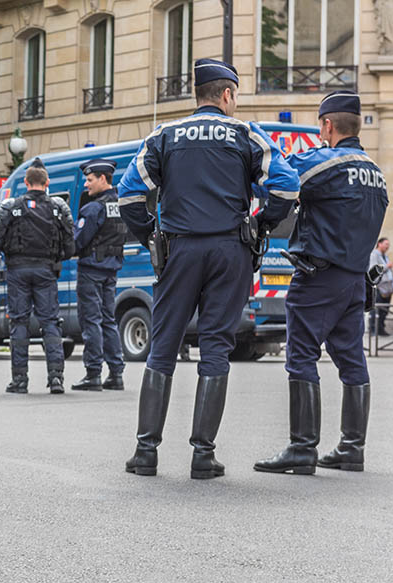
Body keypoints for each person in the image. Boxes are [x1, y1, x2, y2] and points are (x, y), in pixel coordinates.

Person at [118, 58, 300, 479]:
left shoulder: (163, 135)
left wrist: (150, 235)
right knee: (216, 346)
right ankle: (203, 455)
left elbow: (129, 195)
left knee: (162, 345)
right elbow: (287, 185)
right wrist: (262, 222)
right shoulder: (245, 134)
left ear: (197, 95)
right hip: (229, 250)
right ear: (227, 94)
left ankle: (146, 453)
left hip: (179, 250)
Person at [254, 90, 388, 475]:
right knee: (352, 360)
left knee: (301, 356)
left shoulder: (326, 161)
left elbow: (279, 177)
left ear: (327, 125)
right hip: (354, 279)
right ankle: (351, 448)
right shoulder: (375, 172)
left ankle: (302, 448)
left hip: (318, 277)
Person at [0, 158, 75, 394]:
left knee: (19, 322)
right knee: (51, 323)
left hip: (18, 271)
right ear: (47, 183)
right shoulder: (58, 208)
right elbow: (71, 246)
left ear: (25, 182)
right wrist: (55, 259)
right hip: (46, 271)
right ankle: (56, 379)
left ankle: (20, 380)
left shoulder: (11, 207)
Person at [72, 158, 127, 391]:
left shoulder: (93, 208)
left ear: (102, 178)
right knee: (108, 320)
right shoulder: (120, 204)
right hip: (111, 269)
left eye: (89, 179)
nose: (86, 184)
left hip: (92, 270)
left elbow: (78, 241)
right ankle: (116, 373)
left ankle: (93, 373)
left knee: (91, 320)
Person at [369, 237, 393, 336]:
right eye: (386, 244)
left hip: (387, 287)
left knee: (384, 310)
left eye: (388, 244)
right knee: (376, 309)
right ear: (379, 244)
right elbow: (373, 269)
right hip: (379, 286)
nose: (387, 246)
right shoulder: (374, 254)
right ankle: (373, 329)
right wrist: (387, 266)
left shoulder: (385, 256)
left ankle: (381, 329)